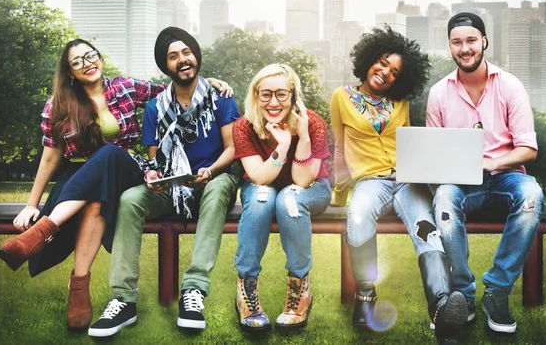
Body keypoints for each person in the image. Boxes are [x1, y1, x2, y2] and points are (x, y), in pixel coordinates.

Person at [0, 38, 231, 331]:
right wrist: (31, 204)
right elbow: (48, 159)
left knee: (109, 153)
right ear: (70, 72)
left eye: (90, 55)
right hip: (78, 179)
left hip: (126, 168)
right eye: (77, 61)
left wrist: (203, 81)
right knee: (96, 198)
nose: (87, 63)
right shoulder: (57, 106)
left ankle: (39, 234)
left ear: (100, 58)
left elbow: (173, 89)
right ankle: (79, 289)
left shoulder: (125, 88)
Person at [88, 27, 240, 337]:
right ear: (165, 65)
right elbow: (156, 158)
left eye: (187, 53)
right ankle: (123, 299)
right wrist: (154, 176)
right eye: (173, 56)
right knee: (131, 198)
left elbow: (233, 148)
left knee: (221, 184)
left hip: (212, 182)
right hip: (174, 189)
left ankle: (194, 291)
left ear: (196, 56)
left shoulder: (219, 97)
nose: (182, 60)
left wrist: (210, 170)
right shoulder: (157, 107)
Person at [330, 26, 468, 344]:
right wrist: (339, 195)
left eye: (394, 72)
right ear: (368, 60)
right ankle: (365, 297)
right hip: (371, 181)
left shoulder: (400, 102)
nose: (385, 73)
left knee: (426, 228)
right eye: (382, 62)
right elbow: (339, 147)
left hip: (407, 180)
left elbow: (409, 143)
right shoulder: (342, 97)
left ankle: (443, 310)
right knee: (359, 214)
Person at [426, 12, 543, 334]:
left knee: (532, 195)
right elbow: (434, 152)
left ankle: (497, 291)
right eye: (457, 42)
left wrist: (491, 163)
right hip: (462, 182)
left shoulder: (510, 85)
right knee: (445, 199)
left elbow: (528, 149)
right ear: (450, 46)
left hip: (506, 176)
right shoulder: (438, 93)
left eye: (471, 41)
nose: (465, 48)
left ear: (484, 42)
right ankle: (462, 293)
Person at [232, 64, 331, 333]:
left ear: (293, 95)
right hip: (263, 184)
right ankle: (247, 290)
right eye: (265, 94)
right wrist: (283, 145)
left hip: (311, 188)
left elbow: (302, 181)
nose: (273, 102)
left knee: (289, 198)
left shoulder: (312, 122)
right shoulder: (244, 126)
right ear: (256, 95)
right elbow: (259, 177)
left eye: (281, 94)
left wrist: (302, 136)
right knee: (263, 197)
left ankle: (300, 289)